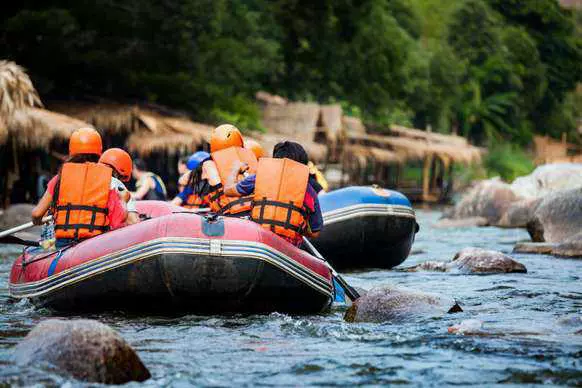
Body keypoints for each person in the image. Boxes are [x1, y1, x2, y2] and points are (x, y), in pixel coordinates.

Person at [31, 128, 130, 246]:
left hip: (64, 243)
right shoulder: (108, 180)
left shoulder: (60, 178)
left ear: (71, 150)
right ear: (99, 151)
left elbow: (37, 214)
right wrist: (123, 201)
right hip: (94, 244)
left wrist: (38, 221)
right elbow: (118, 221)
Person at [224, 141, 323, 246]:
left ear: (275, 160)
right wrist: (295, 226)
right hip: (289, 246)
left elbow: (228, 190)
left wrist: (235, 169)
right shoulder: (309, 190)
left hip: (259, 239)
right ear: (303, 165)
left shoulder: (260, 176)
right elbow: (315, 232)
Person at [202, 124, 258, 217]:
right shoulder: (250, 157)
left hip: (227, 215)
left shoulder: (209, 164)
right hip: (253, 212)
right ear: (240, 141)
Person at [99, 148, 140, 225]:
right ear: (119, 172)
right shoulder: (115, 182)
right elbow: (133, 221)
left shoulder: (88, 179)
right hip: (101, 234)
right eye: (121, 177)